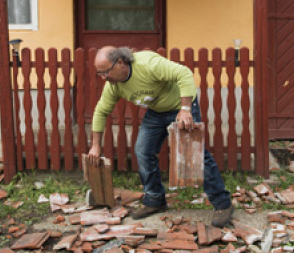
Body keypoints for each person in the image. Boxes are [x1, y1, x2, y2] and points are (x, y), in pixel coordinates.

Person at [86, 46, 234, 228]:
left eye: (106, 72)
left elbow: (184, 73)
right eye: (100, 73)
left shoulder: (148, 64)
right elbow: (101, 111)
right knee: (143, 150)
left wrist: (186, 109)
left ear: (120, 63)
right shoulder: (113, 85)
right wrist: (95, 145)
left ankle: (222, 204)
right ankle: (155, 199)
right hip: (156, 112)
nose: (104, 78)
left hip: (181, 106)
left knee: (195, 155)